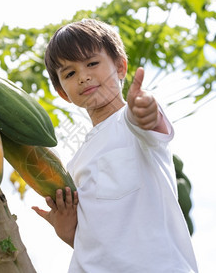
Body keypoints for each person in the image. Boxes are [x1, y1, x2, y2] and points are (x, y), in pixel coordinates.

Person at [32, 18, 198, 272]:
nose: (84, 77)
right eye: (70, 73)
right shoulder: (75, 163)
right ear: (62, 92)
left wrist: (144, 109)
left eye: (92, 63)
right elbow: (94, 240)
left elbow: (147, 121)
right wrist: (66, 229)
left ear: (121, 66)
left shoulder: (133, 122)